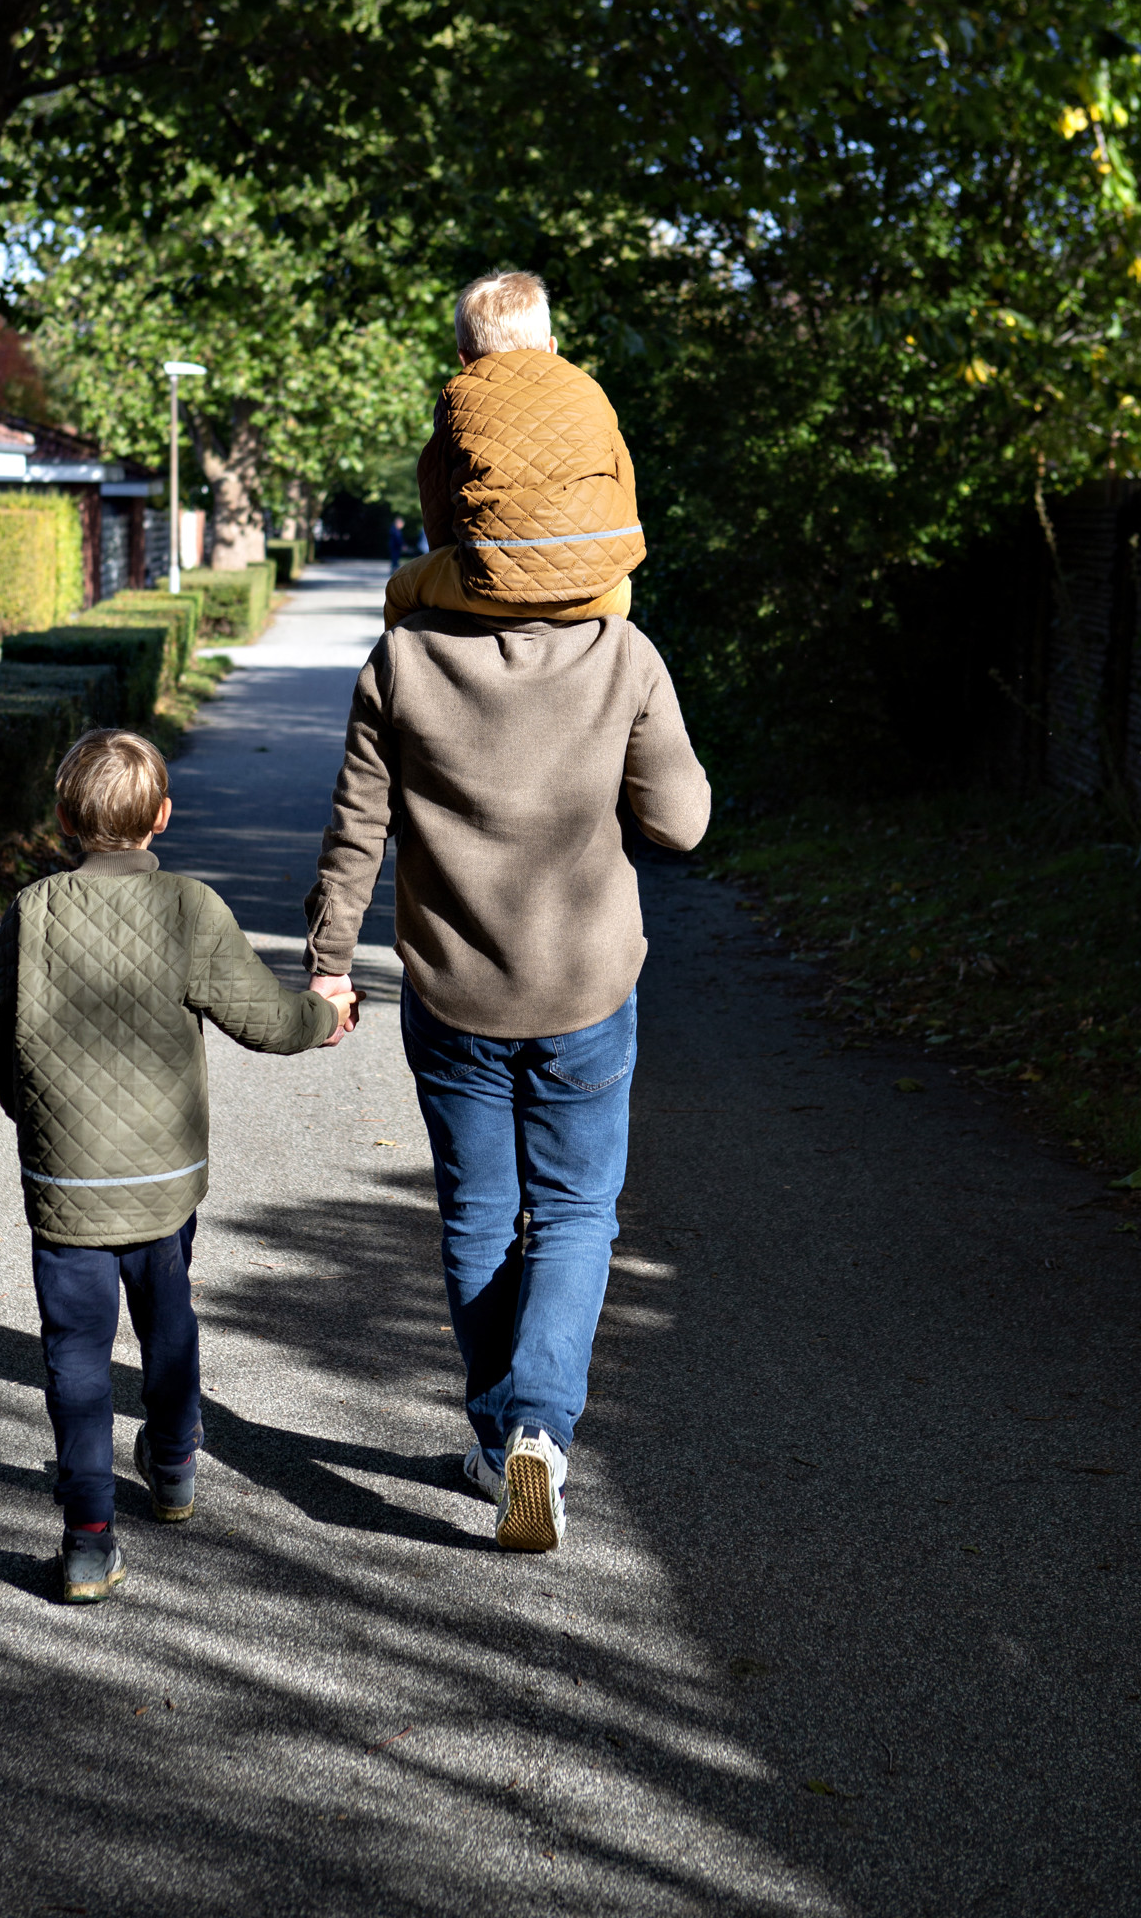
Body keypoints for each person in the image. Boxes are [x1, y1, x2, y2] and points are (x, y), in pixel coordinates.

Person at [307, 270, 710, 1554]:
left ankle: (494, 1441)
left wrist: (328, 966)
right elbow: (683, 824)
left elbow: (356, 829)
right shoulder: (622, 654)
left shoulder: (403, 655)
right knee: (577, 1212)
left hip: (453, 992)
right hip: (587, 983)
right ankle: (541, 1430)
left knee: (481, 1217)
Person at [0, 728, 353, 1604]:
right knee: (168, 1316)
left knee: (76, 1357)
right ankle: (176, 1464)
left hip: (66, 1182)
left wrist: (40, 1126)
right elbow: (263, 1020)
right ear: (162, 817)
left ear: (65, 818)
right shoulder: (189, 907)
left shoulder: (33, 911)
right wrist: (325, 1015)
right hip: (163, 1179)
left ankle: (88, 1540)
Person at [383, 269, 642, 630]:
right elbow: (623, 480)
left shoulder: (458, 395)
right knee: (622, 591)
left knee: (399, 590)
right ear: (551, 347)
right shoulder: (589, 389)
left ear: (464, 358)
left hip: (488, 587)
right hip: (599, 591)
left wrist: (447, 554)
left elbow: (436, 495)